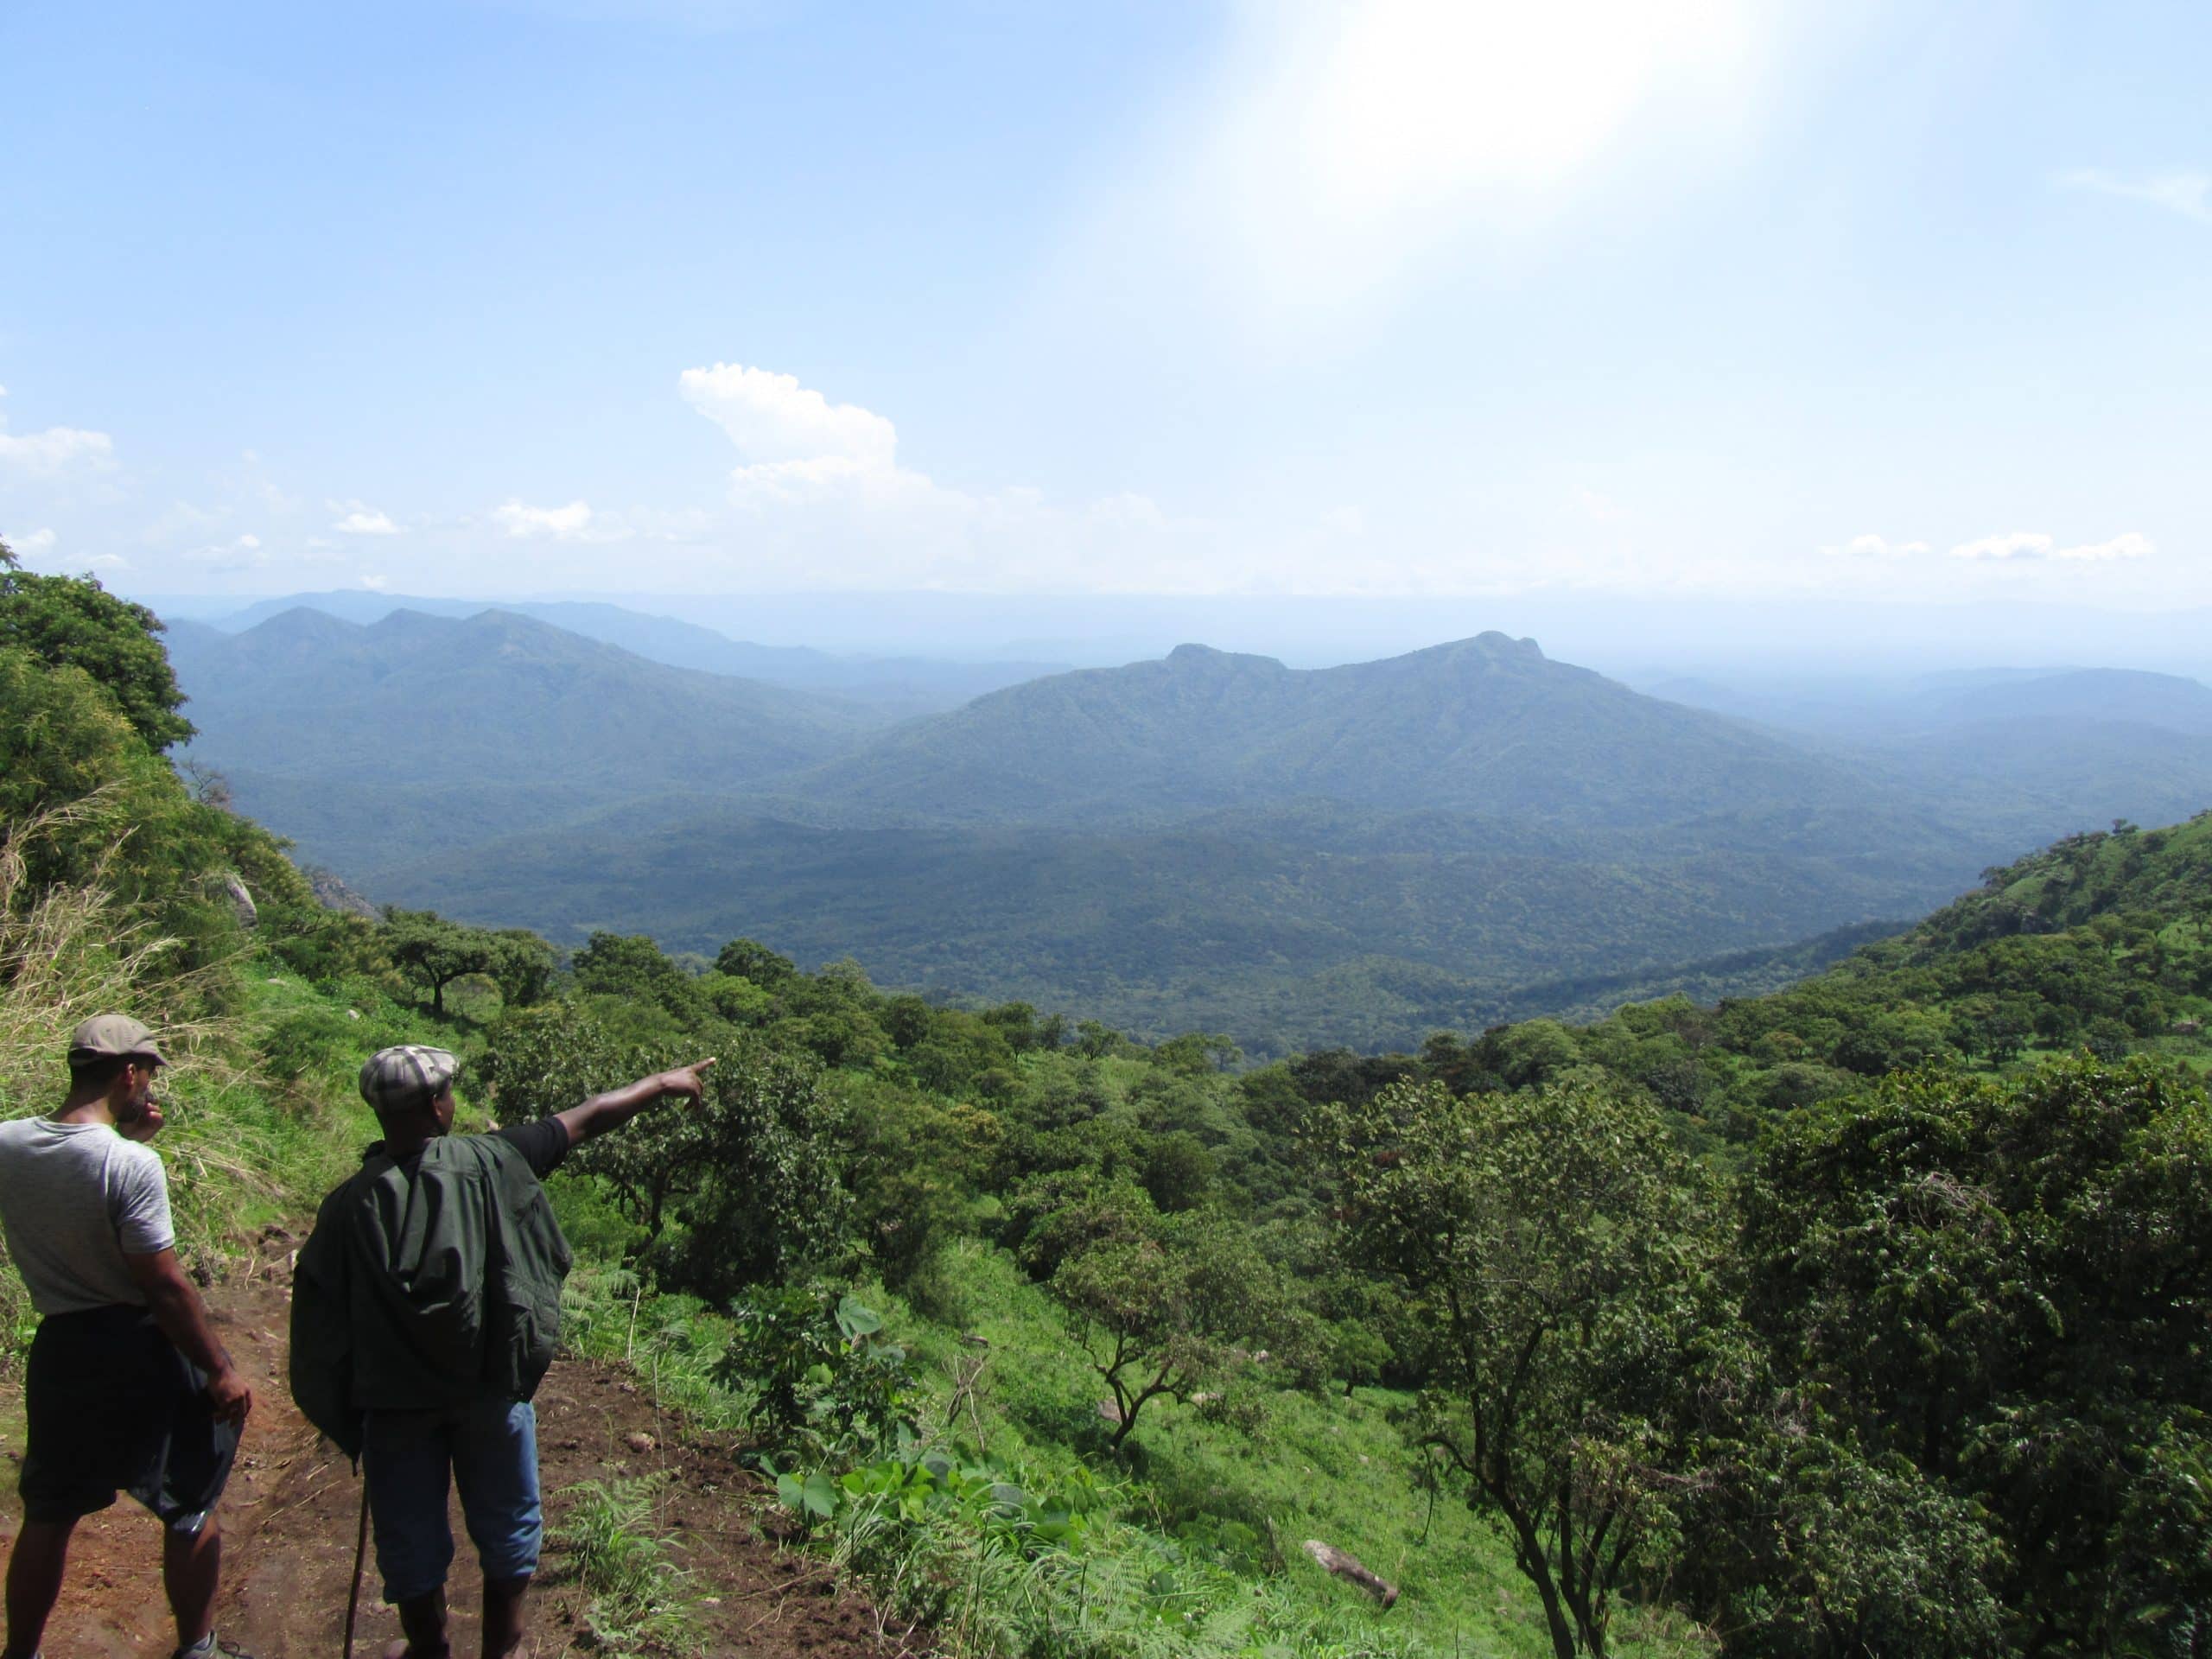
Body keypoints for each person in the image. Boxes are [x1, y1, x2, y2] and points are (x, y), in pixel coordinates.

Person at [291, 1044, 713, 1659]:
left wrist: (346, 1409)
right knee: (509, 1526)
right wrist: (661, 1082)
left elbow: (321, 1320)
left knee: (409, 1543)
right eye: (448, 1093)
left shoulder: (347, 1206)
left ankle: (429, 1650)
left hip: (393, 1405)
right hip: (489, 1386)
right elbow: (586, 1118)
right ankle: (503, 1651)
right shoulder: (490, 1160)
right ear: (435, 1107)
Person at [0, 1014, 255, 1659]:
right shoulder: (131, 1163)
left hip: (61, 1346)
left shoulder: (9, 1143)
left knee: (49, 1512)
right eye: (148, 1076)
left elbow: (72, 1189)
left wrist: (128, 1138)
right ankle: (196, 1647)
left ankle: (20, 1652)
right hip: (139, 1345)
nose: (149, 1088)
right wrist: (219, 1368)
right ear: (129, 1073)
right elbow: (162, 1284)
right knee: (189, 1500)